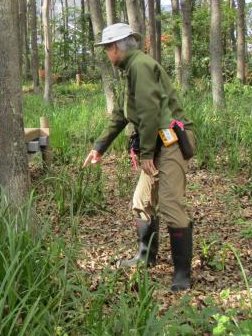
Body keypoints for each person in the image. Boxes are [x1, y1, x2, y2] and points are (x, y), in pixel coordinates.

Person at [83, 23, 197, 291]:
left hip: (170, 141)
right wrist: (99, 147)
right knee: (142, 201)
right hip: (155, 143)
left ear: (114, 48)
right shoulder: (130, 70)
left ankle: (182, 274)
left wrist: (146, 153)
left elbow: (149, 111)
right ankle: (146, 257)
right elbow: (122, 115)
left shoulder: (140, 66)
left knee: (170, 204)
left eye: (106, 49)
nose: (106, 55)